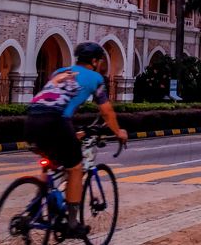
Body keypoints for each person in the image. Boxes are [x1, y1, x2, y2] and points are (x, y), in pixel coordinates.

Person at [27, 42, 128, 239]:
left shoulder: (59, 72)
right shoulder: (96, 78)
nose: (100, 64)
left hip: (31, 119)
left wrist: (73, 132)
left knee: (50, 162)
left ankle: (36, 205)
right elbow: (106, 112)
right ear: (95, 61)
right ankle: (72, 224)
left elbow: (58, 100)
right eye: (100, 61)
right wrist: (118, 132)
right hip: (56, 121)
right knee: (75, 168)